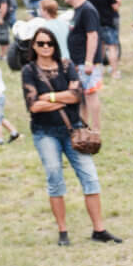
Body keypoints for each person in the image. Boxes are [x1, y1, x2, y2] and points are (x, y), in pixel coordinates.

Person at [20, 27, 121, 246]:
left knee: (90, 178)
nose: (46, 47)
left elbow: (77, 95)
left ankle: (99, 229)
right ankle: (63, 231)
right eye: (41, 43)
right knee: (55, 178)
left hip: (74, 131)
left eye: (49, 43)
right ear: (34, 46)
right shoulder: (29, 70)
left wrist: (51, 97)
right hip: (45, 132)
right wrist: (62, 98)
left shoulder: (66, 65)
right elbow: (33, 105)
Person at [61, 0, 104, 121]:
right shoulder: (78, 10)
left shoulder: (87, 10)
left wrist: (89, 62)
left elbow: (92, 36)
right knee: (81, 96)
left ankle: (96, 130)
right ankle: (83, 126)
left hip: (85, 61)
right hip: (77, 60)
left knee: (90, 94)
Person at [85, 0, 123, 79]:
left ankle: (99, 71)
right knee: (111, 47)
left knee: (98, 47)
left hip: (93, 24)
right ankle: (114, 72)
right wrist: (116, 0)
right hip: (107, 22)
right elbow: (115, 7)